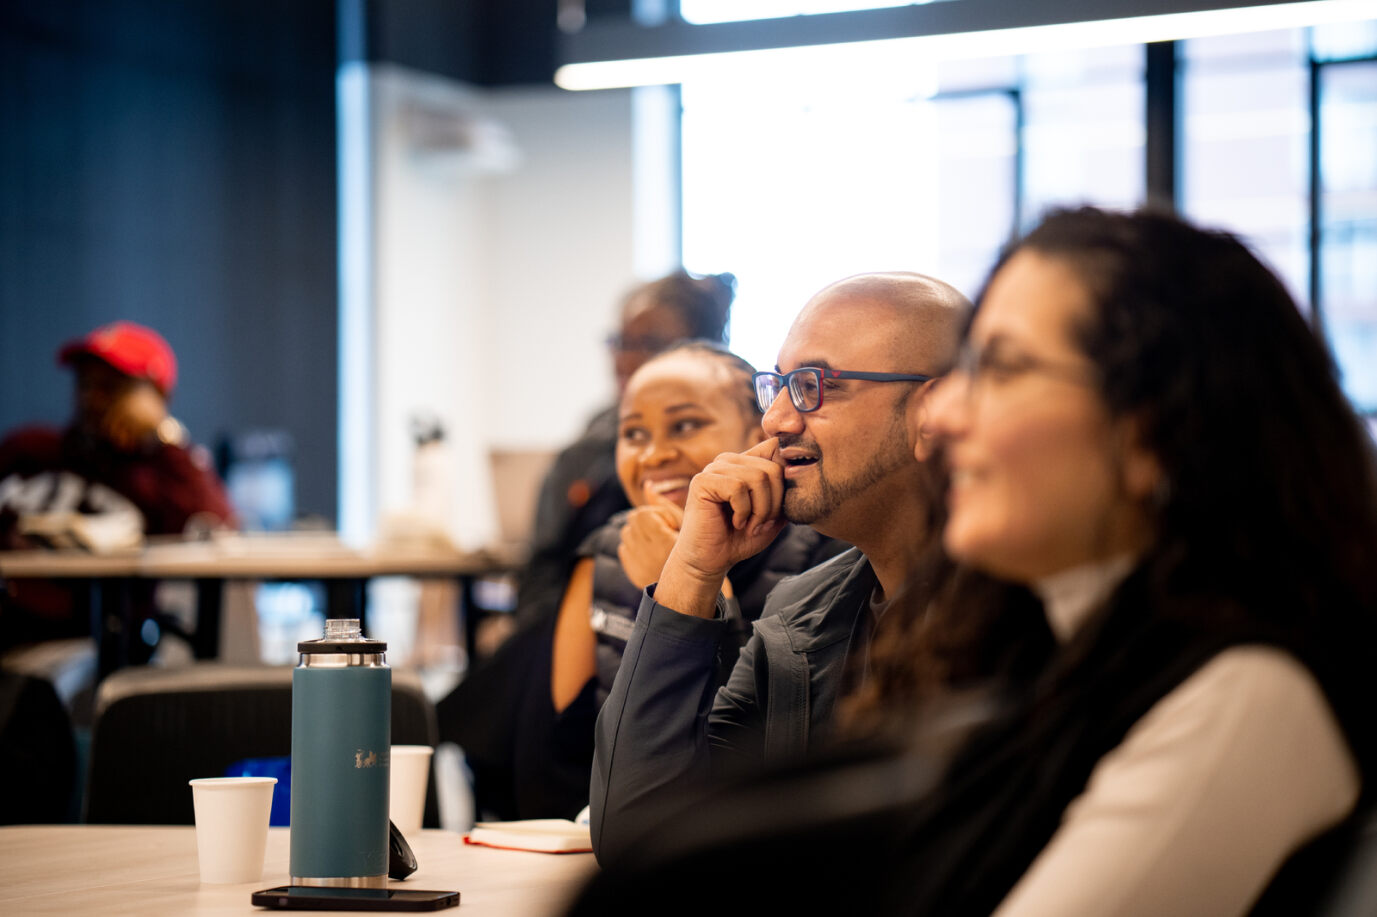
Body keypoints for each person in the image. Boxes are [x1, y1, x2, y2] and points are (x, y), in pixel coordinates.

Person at [575, 208, 1377, 916]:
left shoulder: (1232, 690)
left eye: (1001, 369)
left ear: (1151, 432)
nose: (947, 412)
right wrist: (689, 575)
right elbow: (653, 834)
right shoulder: (1065, 645)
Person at [590, 271, 972, 862]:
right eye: (780, 387)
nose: (777, 421)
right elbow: (637, 838)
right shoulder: (800, 617)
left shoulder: (1018, 615)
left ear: (936, 412)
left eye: (815, 386)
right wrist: (692, 571)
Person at [511, 342, 843, 818]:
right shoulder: (605, 549)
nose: (654, 455)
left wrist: (688, 591)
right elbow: (552, 756)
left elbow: (756, 755)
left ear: (760, 433)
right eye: (634, 433)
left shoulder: (822, 554)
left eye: (685, 425)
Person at [512, 270, 738, 633]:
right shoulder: (590, 443)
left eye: (648, 343)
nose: (625, 359)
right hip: (561, 621)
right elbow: (545, 562)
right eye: (621, 342)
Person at [0, 321, 235, 650]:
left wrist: (161, 433)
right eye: (85, 383)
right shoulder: (30, 447)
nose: (90, 397)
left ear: (156, 397)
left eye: (110, 387)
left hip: (91, 638)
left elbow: (217, 526)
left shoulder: (158, 474)